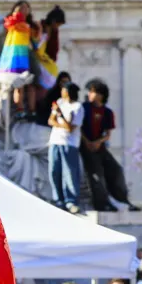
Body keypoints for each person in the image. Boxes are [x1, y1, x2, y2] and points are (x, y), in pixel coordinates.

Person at [80, 78, 139, 212]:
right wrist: (87, 142)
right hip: (85, 147)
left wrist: (98, 142)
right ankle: (102, 203)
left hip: (99, 147)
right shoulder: (84, 108)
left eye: (92, 92)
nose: (89, 94)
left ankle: (122, 199)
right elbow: (79, 128)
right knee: (96, 173)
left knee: (116, 169)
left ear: (100, 95)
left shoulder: (107, 112)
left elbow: (107, 134)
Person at [48, 81, 84, 212]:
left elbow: (70, 128)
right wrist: (60, 123)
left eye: (63, 90)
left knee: (69, 173)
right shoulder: (59, 102)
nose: (61, 91)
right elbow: (50, 120)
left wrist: (61, 116)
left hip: (69, 144)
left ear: (68, 92)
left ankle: (71, 201)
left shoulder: (78, 107)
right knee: (54, 171)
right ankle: (58, 200)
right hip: (55, 141)